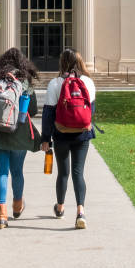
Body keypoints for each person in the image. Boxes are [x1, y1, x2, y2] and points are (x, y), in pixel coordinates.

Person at [0, 47, 42, 229]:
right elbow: (33, 110)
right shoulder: (25, 81)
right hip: (18, 133)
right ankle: (17, 205)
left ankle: (1, 214)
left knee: (1, 172)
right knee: (17, 172)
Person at [41, 48, 96, 229]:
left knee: (63, 173)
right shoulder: (87, 82)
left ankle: (60, 207)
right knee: (78, 173)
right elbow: (91, 110)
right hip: (82, 134)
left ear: (62, 63)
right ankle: (81, 211)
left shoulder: (55, 83)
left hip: (61, 134)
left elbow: (48, 114)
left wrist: (45, 139)